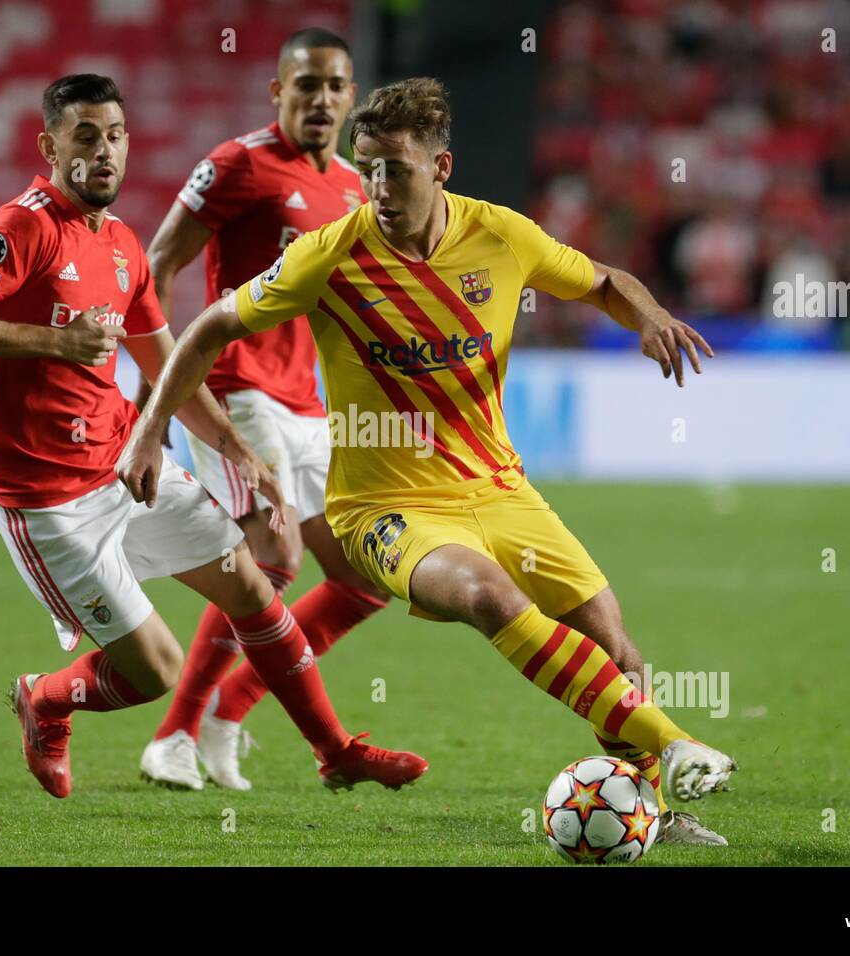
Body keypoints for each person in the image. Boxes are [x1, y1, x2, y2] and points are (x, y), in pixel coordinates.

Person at [117, 78, 735, 844]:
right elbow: (209, 326)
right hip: (386, 510)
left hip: (500, 490)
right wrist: (149, 429)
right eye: (367, 167)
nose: (376, 187)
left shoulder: (502, 236)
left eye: (395, 169)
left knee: (612, 642)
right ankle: (675, 743)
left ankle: (650, 810)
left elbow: (604, 280)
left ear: (441, 167)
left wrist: (652, 315)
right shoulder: (329, 254)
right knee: (485, 595)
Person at [0, 73, 427, 799]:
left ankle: (335, 750)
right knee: (149, 672)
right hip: (49, 501)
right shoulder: (21, 226)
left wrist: (238, 452)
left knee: (254, 588)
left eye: (116, 135)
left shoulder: (124, 244)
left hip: (124, 468)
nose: (104, 151)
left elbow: (167, 370)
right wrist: (55, 344)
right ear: (49, 145)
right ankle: (48, 698)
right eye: (86, 136)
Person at [136, 27, 391, 792]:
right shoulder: (237, 164)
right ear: (277, 91)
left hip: (306, 402)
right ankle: (172, 736)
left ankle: (224, 713)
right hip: (236, 388)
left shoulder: (353, 185)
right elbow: (158, 263)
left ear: (351, 98)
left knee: (363, 578)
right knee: (273, 554)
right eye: (303, 85)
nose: (319, 99)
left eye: (334, 86)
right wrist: (161, 380)